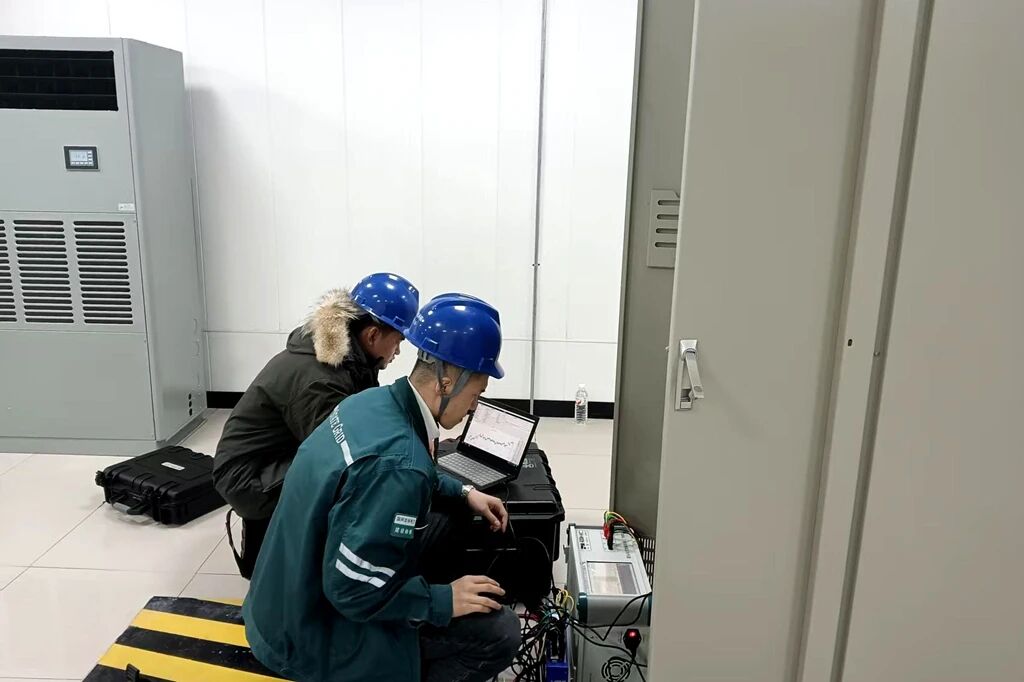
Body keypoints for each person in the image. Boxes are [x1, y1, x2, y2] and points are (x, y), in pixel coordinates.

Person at [243, 294, 521, 682]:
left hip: (281, 595)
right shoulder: (399, 467)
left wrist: (464, 492)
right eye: (476, 393)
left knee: (446, 521)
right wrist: (441, 600)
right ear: (446, 382)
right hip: (308, 635)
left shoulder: (374, 403)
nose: (475, 406)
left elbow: (403, 469)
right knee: (502, 632)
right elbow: (350, 591)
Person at [212, 272, 419, 579]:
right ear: (373, 335)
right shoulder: (321, 378)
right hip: (248, 478)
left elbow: (364, 416)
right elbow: (340, 456)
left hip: (270, 459)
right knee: (351, 480)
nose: (398, 351)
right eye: (398, 340)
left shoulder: (350, 359)